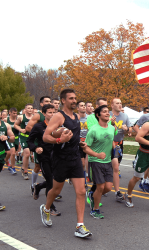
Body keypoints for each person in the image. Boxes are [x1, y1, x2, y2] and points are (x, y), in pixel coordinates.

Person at [41, 88, 92, 238]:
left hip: (75, 157)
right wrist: (59, 140)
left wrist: (81, 144)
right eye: (71, 98)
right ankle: (46, 208)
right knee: (56, 191)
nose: (74, 101)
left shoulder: (76, 116)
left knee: (81, 191)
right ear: (63, 100)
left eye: (75, 98)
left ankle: (80, 226)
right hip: (61, 159)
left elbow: (75, 136)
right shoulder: (58, 116)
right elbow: (45, 136)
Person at [125, 105, 149, 210]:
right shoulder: (148, 125)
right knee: (137, 178)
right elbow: (137, 138)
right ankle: (128, 195)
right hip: (143, 154)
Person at [27, 104, 60, 216]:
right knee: (51, 181)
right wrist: (36, 148)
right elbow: (30, 141)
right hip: (44, 157)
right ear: (44, 113)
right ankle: (50, 207)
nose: (52, 114)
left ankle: (39, 186)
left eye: (54, 112)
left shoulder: (59, 125)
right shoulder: (38, 126)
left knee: (56, 181)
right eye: (49, 112)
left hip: (56, 156)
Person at [82, 105, 115, 219]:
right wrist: (97, 155)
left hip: (108, 161)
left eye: (108, 112)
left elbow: (111, 141)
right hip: (95, 161)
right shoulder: (93, 130)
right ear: (98, 115)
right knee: (100, 187)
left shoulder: (111, 128)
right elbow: (85, 148)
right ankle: (95, 210)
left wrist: (115, 151)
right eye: (104, 112)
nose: (107, 114)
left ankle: (92, 194)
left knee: (108, 188)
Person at [25, 96, 51, 193]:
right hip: (39, 145)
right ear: (41, 104)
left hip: (51, 146)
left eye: (50, 101)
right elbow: (28, 128)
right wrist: (42, 132)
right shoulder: (38, 116)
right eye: (46, 101)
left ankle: (50, 187)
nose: (49, 103)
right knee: (37, 166)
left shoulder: (54, 116)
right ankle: (33, 185)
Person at [110, 98, 131, 201]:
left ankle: (116, 191)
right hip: (108, 144)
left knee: (116, 167)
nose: (119, 105)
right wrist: (111, 124)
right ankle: (116, 191)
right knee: (114, 168)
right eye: (117, 103)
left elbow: (130, 129)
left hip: (119, 145)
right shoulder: (108, 115)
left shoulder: (125, 116)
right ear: (112, 105)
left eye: (120, 103)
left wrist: (127, 129)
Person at [14, 103, 33, 180]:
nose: (30, 109)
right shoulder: (21, 117)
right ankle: (25, 172)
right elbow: (15, 125)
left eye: (31, 108)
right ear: (25, 109)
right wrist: (20, 129)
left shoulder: (35, 118)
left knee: (27, 154)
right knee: (27, 153)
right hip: (23, 137)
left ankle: (22, 168)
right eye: (28, 108)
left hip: (32, 138)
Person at [3, 107, 19, 175]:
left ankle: (6, 160)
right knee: (12, 153)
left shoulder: (18, 120)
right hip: (9, 138)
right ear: (10, 113)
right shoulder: (6, 120)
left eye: (16, 113)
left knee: (14, 152)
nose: (15, 114)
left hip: (17, 138)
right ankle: (13, 167)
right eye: (13, 113)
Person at [77, 101, 89, 185]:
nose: (83, 107)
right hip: (78, 143)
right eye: (81, 106)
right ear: (77, 108)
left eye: (84, 105)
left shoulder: (90, 118)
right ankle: (81, 180)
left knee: (86, 163)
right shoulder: (75, 118)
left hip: (87, 143)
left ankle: (85, 178)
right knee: (82, 163)